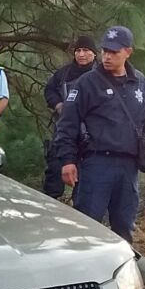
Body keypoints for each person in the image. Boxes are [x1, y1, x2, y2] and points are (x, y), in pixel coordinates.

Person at [54, 25, 145, 244]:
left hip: (128, 166)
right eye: (105, 51)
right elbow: (67, 124)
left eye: (114, 52)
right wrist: (67, 160)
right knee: (87, 226)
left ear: (128, 52)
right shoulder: (87, 83)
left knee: (124, 227)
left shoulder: (140, 82)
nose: (107, 56)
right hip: (97, 163)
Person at [42, 36, 98, 199]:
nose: (81, 54)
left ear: (94, 54)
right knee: (54, 171)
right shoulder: (63, 73)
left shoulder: (101, 75)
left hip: (91, 133)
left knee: (85, 181)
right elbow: (49, 90)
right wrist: (58, 105)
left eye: (86, 50)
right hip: (64, 130)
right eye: (78, 50)